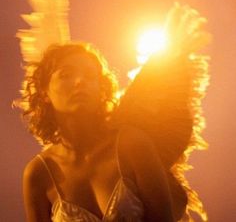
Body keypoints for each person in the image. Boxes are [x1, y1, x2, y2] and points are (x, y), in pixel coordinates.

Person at [16, 42, 186, 222]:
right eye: (66, 74)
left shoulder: (132, 144)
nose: (80, 81)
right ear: (44, 92)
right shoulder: (38, 173)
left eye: (90, 76)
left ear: (100, 90)